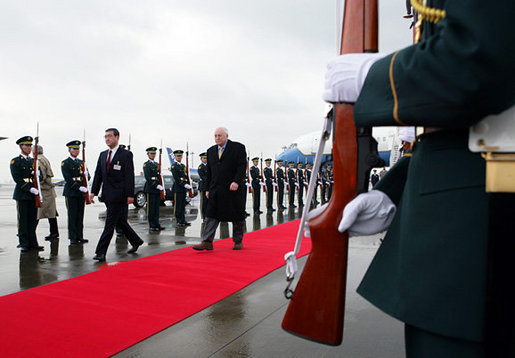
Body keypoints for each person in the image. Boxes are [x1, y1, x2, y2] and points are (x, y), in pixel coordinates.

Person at [322, 0, 515, 355]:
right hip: (459, 223)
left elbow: (480, 57)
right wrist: (393, 191)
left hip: (475, 237)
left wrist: (375, 77)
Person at [89, 128, 144, 261]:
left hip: (119, 195)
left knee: (110, 223)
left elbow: (129, 175)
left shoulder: (125, 154)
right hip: (107, 194)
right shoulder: (103, 155)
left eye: (110, 136)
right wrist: (93, 192)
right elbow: (98, 174)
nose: (107, 139)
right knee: (120, 220)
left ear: (117, 137)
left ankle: (100, 252)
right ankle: (136, 241)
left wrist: (130, 195)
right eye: (105, 137)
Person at [193, 127, 247, 251]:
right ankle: (207, 241)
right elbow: (209, 173)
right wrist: (207, 189)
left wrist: (236, 181)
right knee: (210, 215)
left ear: (226, 136)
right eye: (215, 136)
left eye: (220, 136)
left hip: (232, 189)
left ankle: (238, 241)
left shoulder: (238, 148)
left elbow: (241, 167)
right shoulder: (211, 151)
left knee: (237, 216)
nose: (217, 138)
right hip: (216, 190)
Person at [10, 136, 44, 252]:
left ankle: (33, 242)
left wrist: (39, 174)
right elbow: (18, 179)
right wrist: (30, 189)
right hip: (23, 194)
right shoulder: (16, 161)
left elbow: (41, 178)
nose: (29, 148)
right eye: (26, 145)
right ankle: (24, 243)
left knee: (33, 220)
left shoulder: (33, 161)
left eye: (30, 145)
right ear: (21, 147)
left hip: (33, 195)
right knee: (23, 220)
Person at [61, 140, 89, 245]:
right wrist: (79, 187)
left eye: (77, 149)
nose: (76, 151)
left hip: (81, 192)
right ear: (69, 150)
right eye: (74, 149)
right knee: (72, 215)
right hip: (71, 192)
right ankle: (73, 237)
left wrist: (86, 174)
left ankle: (79, 236)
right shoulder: (65, 163)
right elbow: (68, 178)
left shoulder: (81, 163)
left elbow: (88, 177)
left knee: (80, 215)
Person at [34, 145, 59, 240]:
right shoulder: (45, 159)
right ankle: (54, 232)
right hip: (49, 191)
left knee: (37, 214)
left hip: (44, 191)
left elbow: (41, 177)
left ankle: (30, 234)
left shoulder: (38, 161)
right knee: (51, 213)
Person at [143, 147, 164, 231]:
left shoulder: (157, 165)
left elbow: (159, 177)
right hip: (151, 188)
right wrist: (156, 185)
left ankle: (157, 224)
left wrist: (160, 185)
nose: (153, 155)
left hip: (157, 189)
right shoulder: (146, 165)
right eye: (151, 153)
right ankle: (152, 225)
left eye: (154, 154)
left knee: (156, 208)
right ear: (148, 154)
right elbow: (148, 177)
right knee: (151, 208)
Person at [171, 150, 192, 227]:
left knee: (183, 205)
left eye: (180, 156)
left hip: (183, 189)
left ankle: (183, 220)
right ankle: (178, 220)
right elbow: (177, 178)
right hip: (178, 188)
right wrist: (184, 184)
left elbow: (185, 177)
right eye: (177, 156)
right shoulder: (174, 166)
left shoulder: (183, 166)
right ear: (175, 157)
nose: (179, 157)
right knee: (178, 205)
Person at [115, 144, 129, 237]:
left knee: (124, 212)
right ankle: (119, 229)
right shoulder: (115, 162)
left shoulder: (127, 163)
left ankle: (124, 228)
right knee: (117, 212)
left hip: (124, 191)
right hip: (116, 191)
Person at [198, 152, 208, 220]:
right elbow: (203, 177)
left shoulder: (209, 166)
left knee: (208, 202)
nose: (205, 159)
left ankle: (208, 215)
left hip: (209, 186)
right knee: (203, 202)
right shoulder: (200, 167)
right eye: (204, 158)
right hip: (203, 186)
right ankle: (204, 216)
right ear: (201, 159)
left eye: (207, 158)